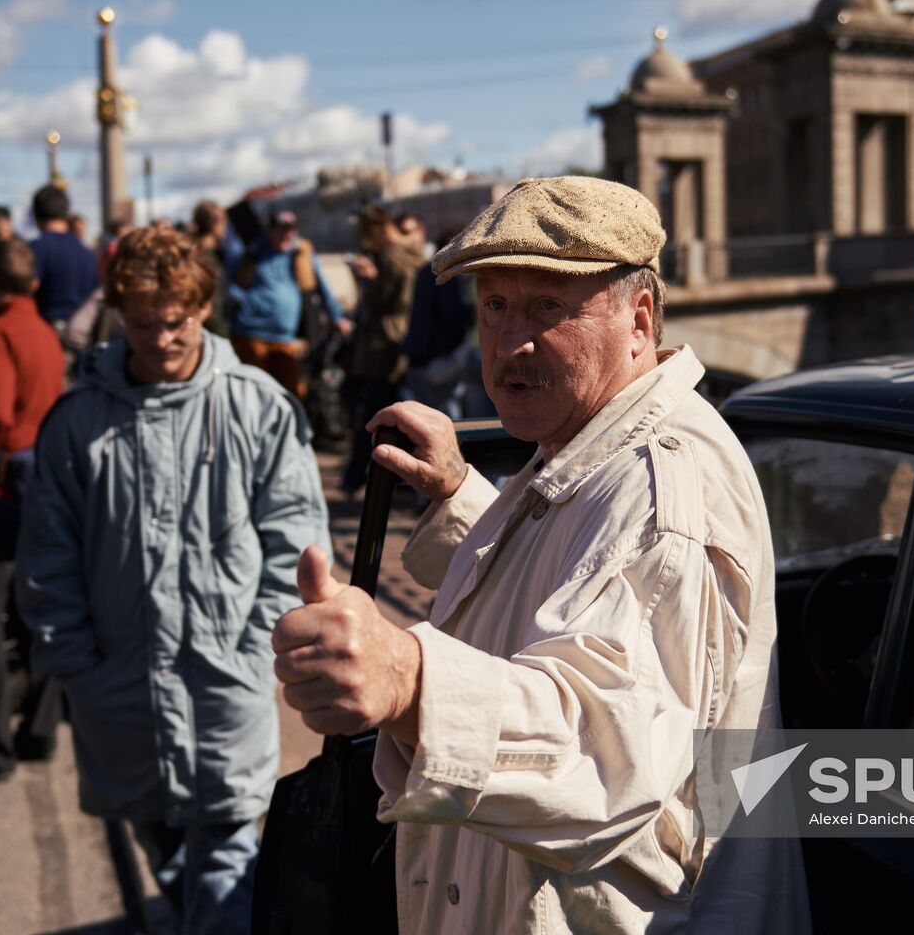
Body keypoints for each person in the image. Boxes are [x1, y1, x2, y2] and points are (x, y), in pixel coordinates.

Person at [273, 176, 808, 934]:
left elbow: (604, 750)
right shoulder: (592, 443)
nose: (510, 342)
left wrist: (411, 681)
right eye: (494, 306)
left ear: (639, 319)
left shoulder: (661, 490)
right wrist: (463, 496)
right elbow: (579, 577)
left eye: (548, 309)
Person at [17, 224, 331, 933]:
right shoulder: (78, 423)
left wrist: (256, 651)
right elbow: (49, 554)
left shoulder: (256, 406)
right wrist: (79, 667)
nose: (161, 339)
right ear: (119, 315)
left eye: (177, 321)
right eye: (143, 324)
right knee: (162, 848)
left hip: (224, 688)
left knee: (225, 868)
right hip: (120, 695)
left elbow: (295, 540)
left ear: (203, 307)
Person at [0, 238, 64, 780]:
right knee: (39, 610)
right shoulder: (43, 330)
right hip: (45, 479)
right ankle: (40, 731)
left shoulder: (1, 332)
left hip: (6, 488)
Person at [230, 209, 349, 399]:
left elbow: (323, 287)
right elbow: (235, 286)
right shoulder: (256, 252)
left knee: (292, 394)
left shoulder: (302, 254)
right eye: (281, 230)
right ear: (270, 231)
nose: (287, 234)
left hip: (285, 338)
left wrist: (337, 317)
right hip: (250, 334)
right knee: (254, 394)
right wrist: (240, 304)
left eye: (291, 229)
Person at [341, 206, 418, 492]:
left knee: (375, 416)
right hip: (402, 342)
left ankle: (357, 479)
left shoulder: (390, 257)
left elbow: (379, 301)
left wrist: (364, 280)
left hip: (384, 345)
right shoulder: (412, 251)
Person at [401, 227, 477, 418]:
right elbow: (451, 315)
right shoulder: (448, 274)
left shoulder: (425, 271)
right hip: (438, 357)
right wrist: (472, 314)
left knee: (424, 417)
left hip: (418, 355)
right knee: (447, 418)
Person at [28, 185, 98, 334]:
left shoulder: (35, 250)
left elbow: (27, 288)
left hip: (47, 333)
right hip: (83, 337)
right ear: (68, 214)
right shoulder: (87, 253)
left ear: (34, 215)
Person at [192, 200, 233, 338]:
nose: (226, 228)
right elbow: (210, 303)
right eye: (223, 223)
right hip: (211, 333)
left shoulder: (203, 253)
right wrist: (222, 336)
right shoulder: (205, 258)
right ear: (214, 225)